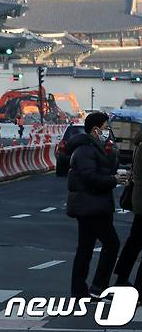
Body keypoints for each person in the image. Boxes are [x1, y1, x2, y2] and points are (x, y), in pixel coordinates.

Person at [66, 112, 127, 298]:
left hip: (92, 205)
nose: (107, 131)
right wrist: (113, 179)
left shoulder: (93, 147)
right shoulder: (86, 150)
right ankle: (98, 287)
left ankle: (80, 290)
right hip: (91, 206)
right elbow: (90, 177)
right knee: (111, 244)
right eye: (106, 128)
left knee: (85, 248)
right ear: (96, 129)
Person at [114, 129, 142, 298]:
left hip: (139, 201)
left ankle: (121, 279)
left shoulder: (138, 145)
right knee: (134, 244)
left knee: (133, 244)